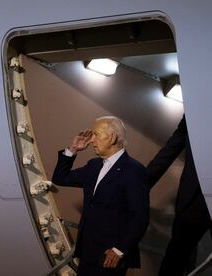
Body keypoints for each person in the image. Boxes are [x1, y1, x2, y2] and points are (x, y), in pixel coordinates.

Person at [52, 116, 150, 276]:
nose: (91, 140)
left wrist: (119, 250)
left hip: (110, 257)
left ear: (112, 137)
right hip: (87, 252)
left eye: (96, 134)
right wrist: (73, 149)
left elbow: (140, 217)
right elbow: (60, 178)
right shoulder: (94, 165)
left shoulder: (134, 170)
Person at [146, 115, 212, 276]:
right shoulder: (195, 104)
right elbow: (171, 148)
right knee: (175, 260)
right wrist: (139, 186)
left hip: (194, 200)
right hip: (194, 200)